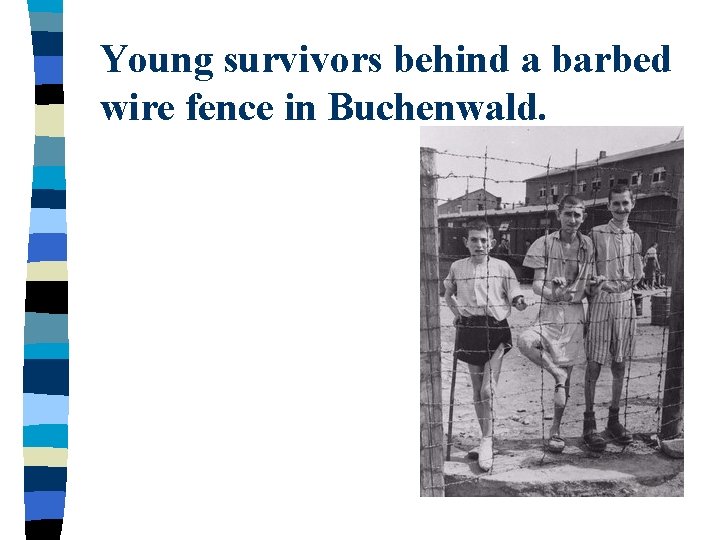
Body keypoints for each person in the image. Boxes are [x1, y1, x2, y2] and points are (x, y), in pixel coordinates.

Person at [518, 195, 601, 453]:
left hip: (576, 313)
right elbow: (536, 284)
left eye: (577, 215)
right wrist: (553, 291)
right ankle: (556, 372)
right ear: (558, 214)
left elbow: (589, 285)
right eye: (568, 214)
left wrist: (595, 285)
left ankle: (556, 430)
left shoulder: (587, 244)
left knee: (565, 382)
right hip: (550, 311)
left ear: (583, 217)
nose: (572, 220)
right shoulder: (544, 243)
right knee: (525, 341)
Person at [444, 221, 527, 471]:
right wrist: (458, 314)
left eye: (483, 240)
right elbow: (448, 294)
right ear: (466, 242)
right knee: (477, 389)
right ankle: (484, 437)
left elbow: (514, 293)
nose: (479, 245)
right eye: (474, 240)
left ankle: (488, 441)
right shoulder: (458, 267)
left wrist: (520, 301)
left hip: (496, 329)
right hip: (470, 329)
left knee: (488, 391)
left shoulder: (502, 267)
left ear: (491, 242)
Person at [583, 186, 644, 451]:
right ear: (608, 206)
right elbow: (586, 270)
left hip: (625, 301)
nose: (621, 209)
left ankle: (614, 420)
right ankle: (589, 424)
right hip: (601, 301)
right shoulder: (595, 234)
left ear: (633, 204)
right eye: (616, 204)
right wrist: (598, 285)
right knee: (595, 363)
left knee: (620, 363)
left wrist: (627, 284)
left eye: (625, 203)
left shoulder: (635, 237)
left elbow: (638, 272)